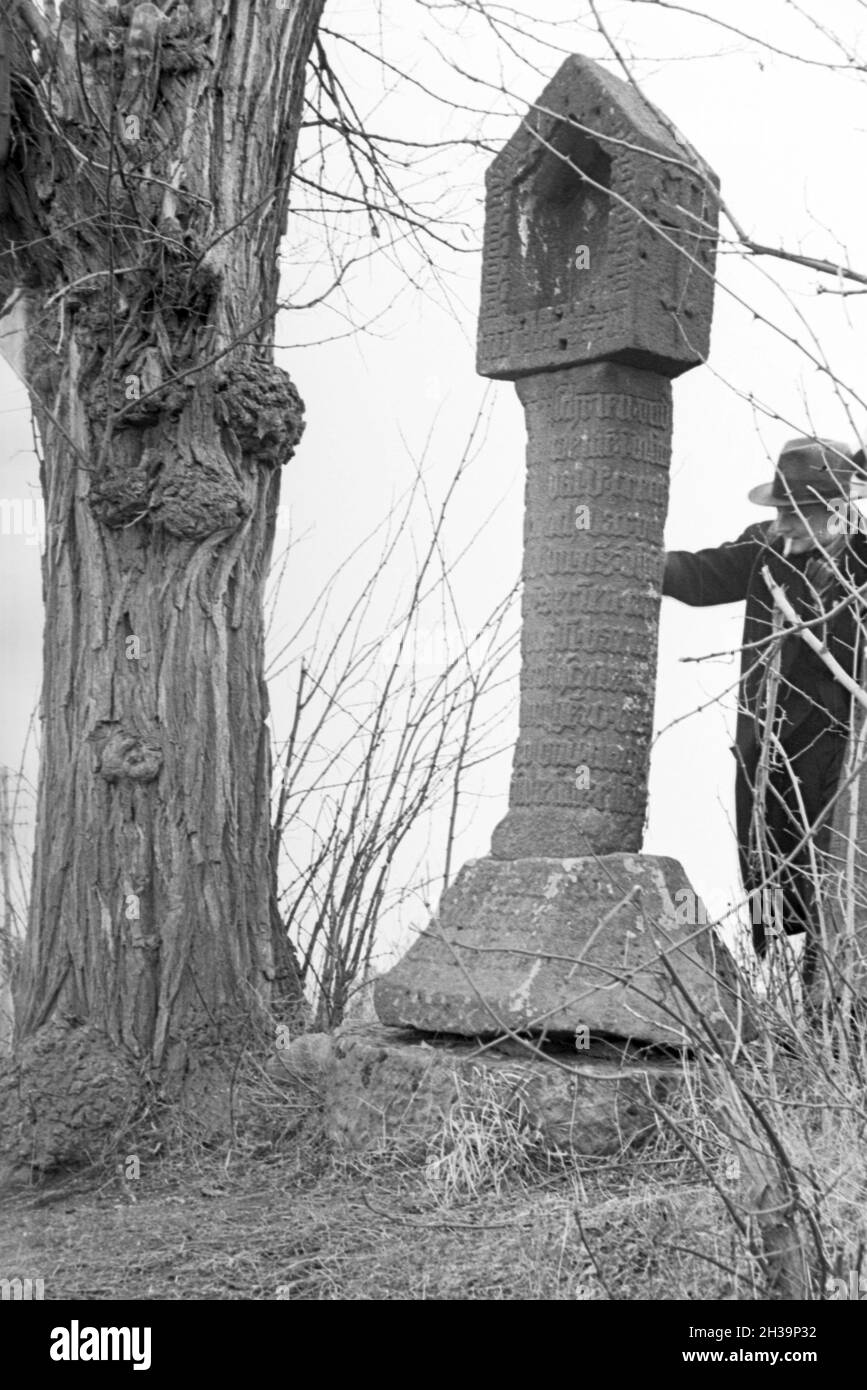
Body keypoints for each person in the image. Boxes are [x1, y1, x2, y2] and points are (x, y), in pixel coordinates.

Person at [662, 438, 867, 984]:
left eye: (798, 512)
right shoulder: (765, 550)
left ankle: (835, 1017)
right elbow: (700, 577)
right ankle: (791, 1020)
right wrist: (628, 557)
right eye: (780, 510)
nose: (784, 523)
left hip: (845, 758)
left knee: (839, 888)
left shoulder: (865, 562)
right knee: (772, 888)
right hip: (771, 759)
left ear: (840, 509)